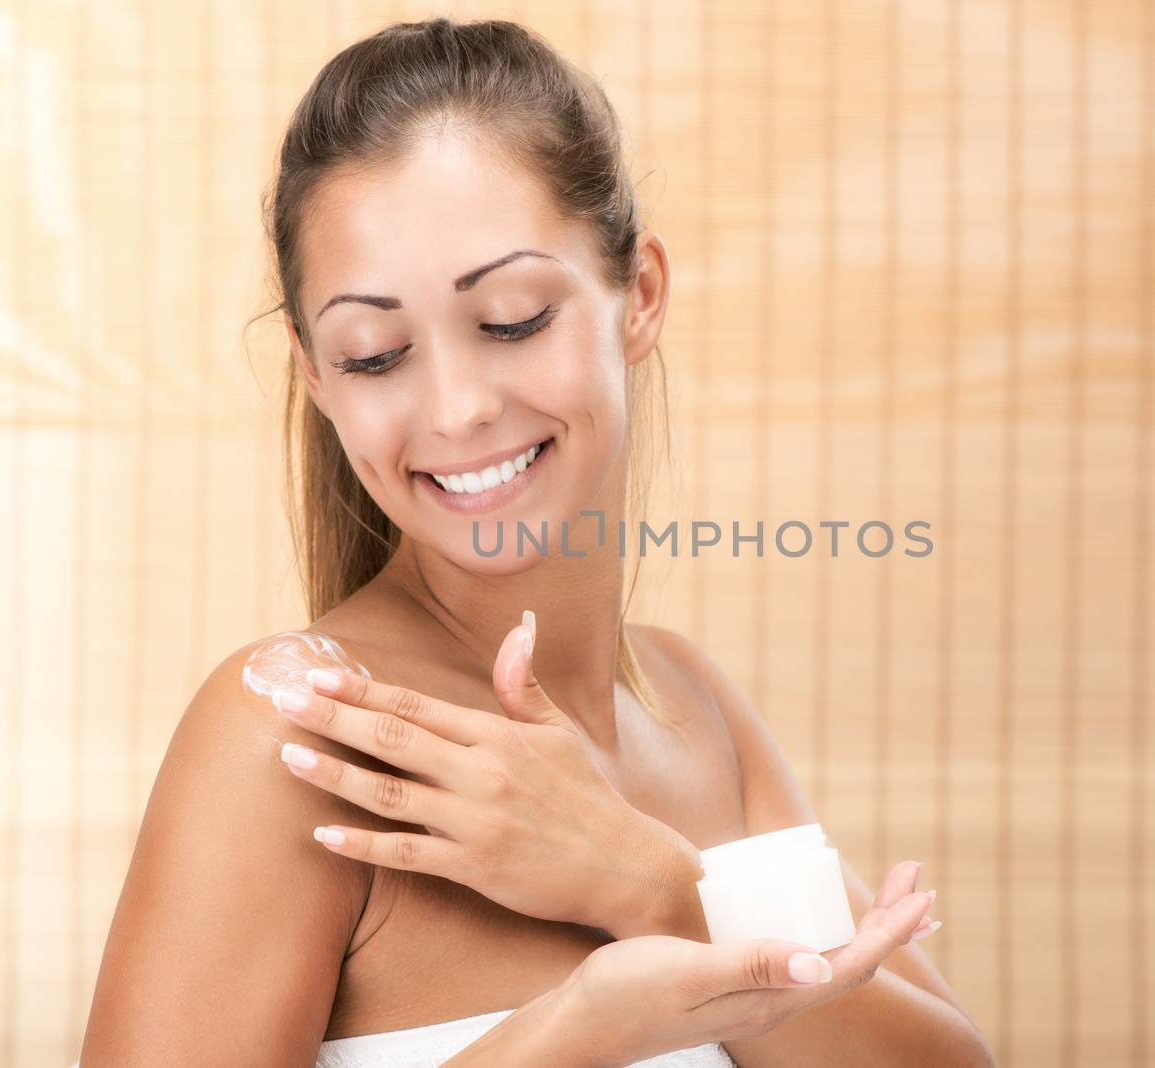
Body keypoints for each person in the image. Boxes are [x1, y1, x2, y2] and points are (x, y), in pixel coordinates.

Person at [79, 15, 993, 1066]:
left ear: (638, 295)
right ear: (315, 374)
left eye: (512, 319)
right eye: (374, 355)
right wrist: (573, 1029)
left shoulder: (692, 713)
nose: (459, 408)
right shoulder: (306, 740)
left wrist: (651, 889)